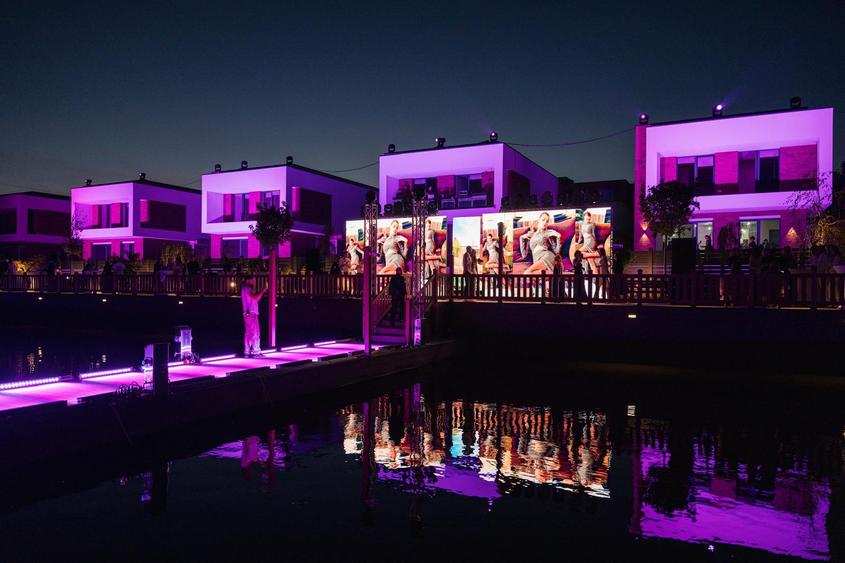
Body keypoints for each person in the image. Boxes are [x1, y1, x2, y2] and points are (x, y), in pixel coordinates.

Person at [241, 275, 267, 357]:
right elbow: (255, 298)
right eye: (253, 280)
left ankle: (247, 351)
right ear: (248, 280)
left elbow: (256, 298)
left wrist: (261, 291)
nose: (254, 282)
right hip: (251, 313)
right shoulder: (246, 289)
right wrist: (262, 290)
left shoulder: (246, 289)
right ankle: (256, 352)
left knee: (248, 333)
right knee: (255, 333)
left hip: (248, 313)